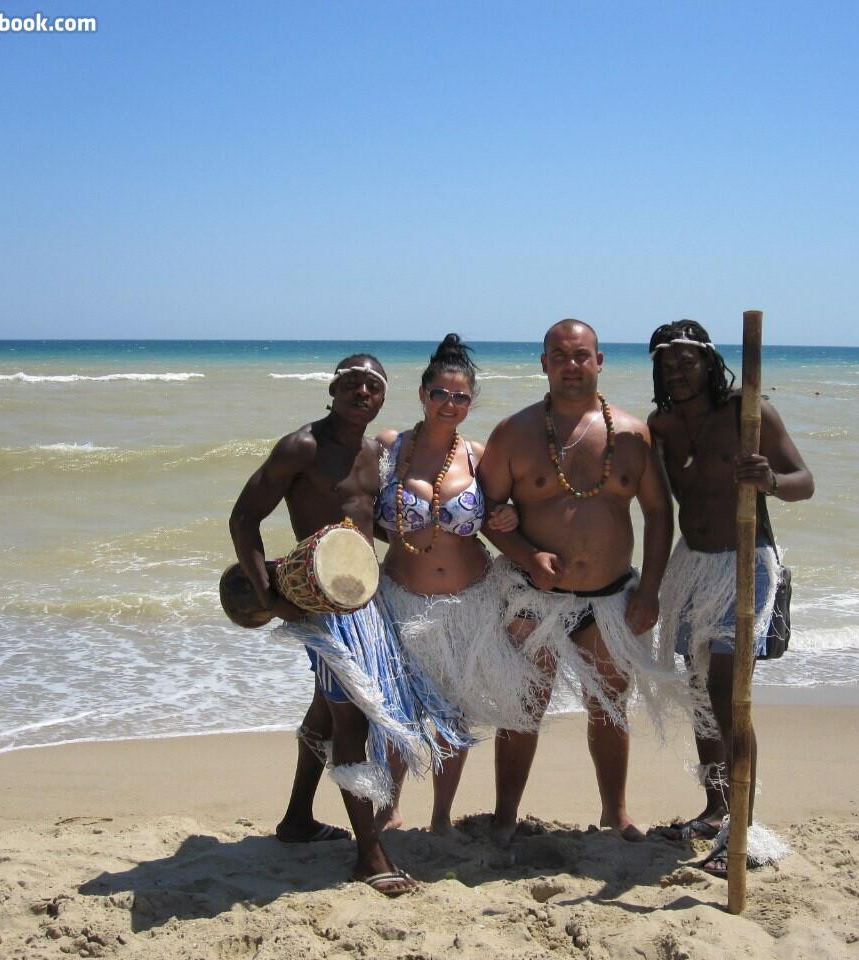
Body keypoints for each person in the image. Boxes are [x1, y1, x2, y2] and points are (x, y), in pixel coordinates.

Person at [229, 354, 464, 897]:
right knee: (352, 719)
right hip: (323, 610)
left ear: (383, 397)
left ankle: (297, 820)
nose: (363, 392)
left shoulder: (375, 454)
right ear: (333, 390)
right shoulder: (302, 447)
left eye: (373, 386)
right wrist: (269, 597)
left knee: (326, 710)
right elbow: (244, 517)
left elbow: (368, 524)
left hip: (366, 601)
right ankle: (368, 856)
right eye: (352, 384)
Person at [478, 318, 693, 847]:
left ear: (599, 361)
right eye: (559, 355)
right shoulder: (514, 432)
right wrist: (527, 556)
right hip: (535, 597)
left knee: (610, 705)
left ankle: (615, 812)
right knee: (524, 704)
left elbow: (659, 513)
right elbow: (484, 511)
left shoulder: (632, 434)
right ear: (544, 364)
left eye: (581, 355)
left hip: (611, 598)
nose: (570, 364)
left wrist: (650, 590)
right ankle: (505, 816)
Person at [647, 319, 814, 875]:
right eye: (667, 365)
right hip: (691, 564)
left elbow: (804, 481)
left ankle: (741, 824)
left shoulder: (749, 413)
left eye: (687, 362)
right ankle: (716, 807)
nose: (677, 372)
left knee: (727, 694)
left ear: (709, 362)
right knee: (699, 692)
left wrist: (770, 481)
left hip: (744, 563)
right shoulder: (661, 425)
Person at [373, 334, 540, 839]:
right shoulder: (390, 446)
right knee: (397, 709)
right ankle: (388, 808)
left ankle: (442, 816)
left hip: (471, 602)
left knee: (455, 713)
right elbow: (354, 505)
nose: (450, 403)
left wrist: (510, 516)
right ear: (422, 394)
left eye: (461, 396)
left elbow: (510, 511)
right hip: (401, 599)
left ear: (471, 403)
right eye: (440, 393)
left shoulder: (478, 455)